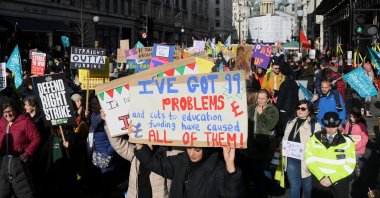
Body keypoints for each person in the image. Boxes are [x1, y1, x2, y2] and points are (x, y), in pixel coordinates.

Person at [134, 143, 246, 198]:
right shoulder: (181, 160)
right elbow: (154, 163)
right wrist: (138, 142)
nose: (192, 153)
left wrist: (230, 163)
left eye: (197, 150)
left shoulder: (217, 169)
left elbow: (233, 195)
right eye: (189, 148)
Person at [305, 112, 356, 198]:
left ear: (338, 125)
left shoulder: (347, 142)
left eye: (333, 127)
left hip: (339, 182)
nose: (331, 129)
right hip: (319, 181)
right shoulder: (314, 139)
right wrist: (321, 177)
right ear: (324, 125)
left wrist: (332, 179)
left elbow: (350, 165)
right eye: (328, 126)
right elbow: (309, 159)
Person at [0, 99, 41, 197]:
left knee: (24, 192)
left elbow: (36, 138)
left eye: (10, 111)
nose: (8, 115)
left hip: (21, 162)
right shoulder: (1, 123)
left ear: (15, 109)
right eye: (5, 112)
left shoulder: (25, 121)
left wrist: (27, 153)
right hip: (5, 164)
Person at [282, 100, 322, 198]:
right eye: (298, 108)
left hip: (306, 160)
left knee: (307, 189)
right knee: (294, 187)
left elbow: (318, 145)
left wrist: (313, 161)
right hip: (291, 159)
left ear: (309, 111)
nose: (300, 111)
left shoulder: (314, 125)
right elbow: (285, 137)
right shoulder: (290, 121)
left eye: (303, 108)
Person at [247, 89, 279, 197]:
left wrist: (261, 114)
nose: (260, 100)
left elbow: (271, 125)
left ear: (268, 99)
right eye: (259, 98)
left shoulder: (272, 109)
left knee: (265, 170)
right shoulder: (251, 108)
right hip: (252, 146)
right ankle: (259, 192)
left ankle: (269, 191)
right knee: (255, 171)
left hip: (266, 146)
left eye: (263, 98)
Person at [342, 108, 369, 177]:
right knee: (349, 164)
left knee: (356, 165)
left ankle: (357, 180)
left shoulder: (361, 126)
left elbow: (365, 139)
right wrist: (342, 130)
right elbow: (346, 132)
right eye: (350, 116)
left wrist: (355, 147)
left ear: (358, 117)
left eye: (353, 117)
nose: (351, 118)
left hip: (358, 150)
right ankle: (351, 177)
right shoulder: (348, 123)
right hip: (349, 148)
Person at [276, 62, 299, 136]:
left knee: (283, 132)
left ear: (282, 73)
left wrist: (276, 108)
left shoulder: (284, 84)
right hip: (293, 110)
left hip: (284, 111)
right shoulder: (294, 83)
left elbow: (280, 100)